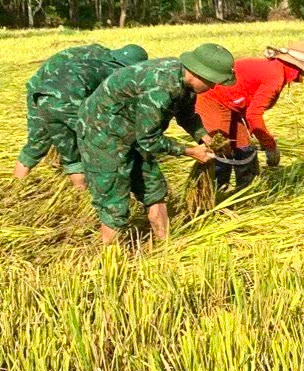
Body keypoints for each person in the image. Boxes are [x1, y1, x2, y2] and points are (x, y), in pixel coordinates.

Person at [77, 43, 236, 245]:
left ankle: (165, 246)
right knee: (114, 201)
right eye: (212, 82)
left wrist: (205, 137)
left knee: (155, 190)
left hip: (134, 130)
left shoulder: (185, 83)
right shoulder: (161, 87)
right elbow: (149, 140)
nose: (213, 87)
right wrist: (190, 151)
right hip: (102, 134)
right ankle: (110, 253)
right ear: (198, 73)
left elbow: (186, 116)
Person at [14, 44, 149, 189]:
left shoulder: (99, 55)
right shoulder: (113, 70)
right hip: (61, 94)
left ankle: (15, 188)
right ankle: (110, 188)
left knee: (44, 144)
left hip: (42, 93)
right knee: (103, 142)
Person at [195, 41, 304, 190]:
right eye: (303, 72)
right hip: (212, 98)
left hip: (232, 103)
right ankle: (214, 192)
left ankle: (247, 191)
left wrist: (260, 136)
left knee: (244, 147)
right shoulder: (275, 77)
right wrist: (270, 146)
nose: (301, 77)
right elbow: (253, 115)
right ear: (297, 69)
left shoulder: (275, 69)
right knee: (221, 148)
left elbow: (247, 104)